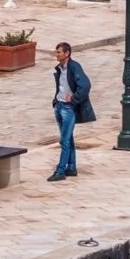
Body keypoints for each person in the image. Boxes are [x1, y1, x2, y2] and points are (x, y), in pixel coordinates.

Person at [49, 42, 94, 181]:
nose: (56, 55)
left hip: (68, 109)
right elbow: (61, 87)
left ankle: (60, 170)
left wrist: (74, 99)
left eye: (59, 52)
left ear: (67, 53)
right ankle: (72, 167)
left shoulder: (74, 67)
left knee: (64, 141)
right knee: (68, 139)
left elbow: (85, 85)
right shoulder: (60, 68)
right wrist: (56, 101)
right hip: (59, 106)